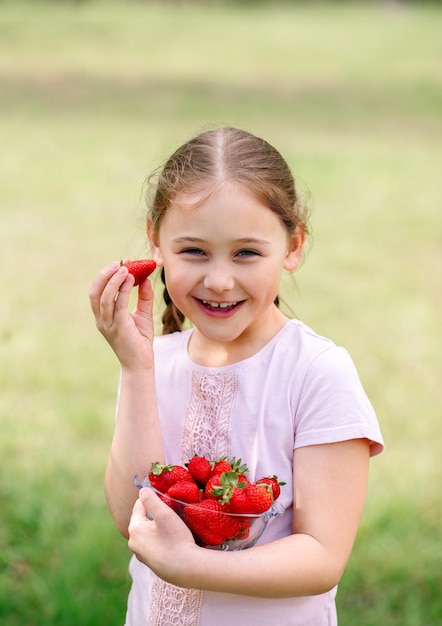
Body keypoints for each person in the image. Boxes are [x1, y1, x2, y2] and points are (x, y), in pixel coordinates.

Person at [89, 126, 384, 626]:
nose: (219, 280)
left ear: (292, 246)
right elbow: (130, 517)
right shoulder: (152, 362)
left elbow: (322, 557)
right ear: (155, 242)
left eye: (246, 252)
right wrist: (136, 368)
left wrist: (193, 565)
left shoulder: (315, 372)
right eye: (194, 251)